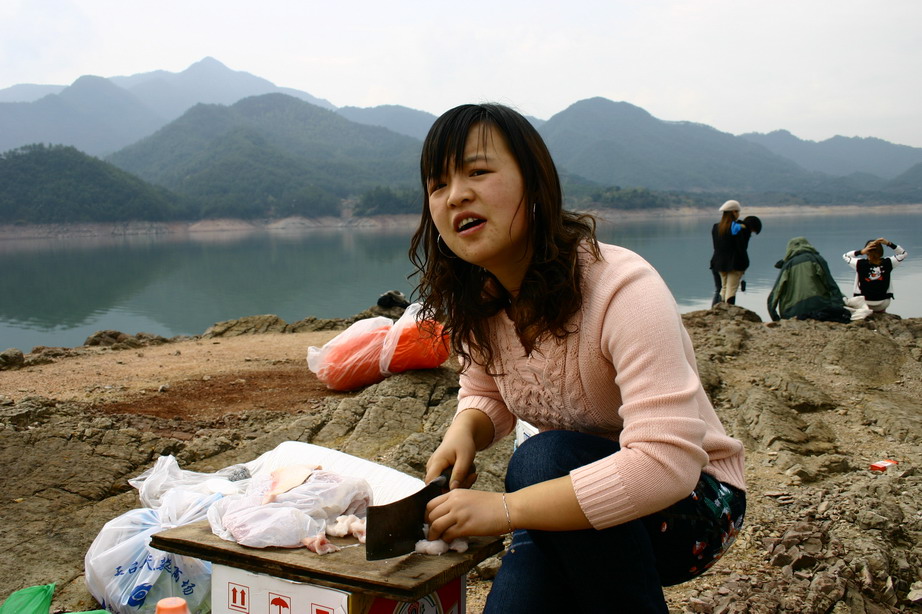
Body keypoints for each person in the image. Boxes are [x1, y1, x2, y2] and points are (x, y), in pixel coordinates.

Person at [408, 103, 746, 613]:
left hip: (691, 502)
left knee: (541, 457)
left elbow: (667, 463)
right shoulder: (479, 301)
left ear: (535, 185)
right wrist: (465, 433)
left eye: (477, 172)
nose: (456, 195)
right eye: (438, 185)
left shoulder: (622, 288)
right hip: (566, 491)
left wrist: (506, 510)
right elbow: (483, 391)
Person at [767, 237, 849, 322]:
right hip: (819, 309)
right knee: (840, 296)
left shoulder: (787, 266)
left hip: (790, 314)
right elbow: (832, 286)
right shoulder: (817, 259)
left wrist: (776, 319)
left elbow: (774, 295)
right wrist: (837, 309)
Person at [709, 201, 758, 305]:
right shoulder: (736, 228)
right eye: (738, 212)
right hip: (734, 264)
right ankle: (729, 311)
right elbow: (741, 248)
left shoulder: (716, 227)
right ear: (734, 212)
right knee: (731, 289)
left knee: (723, 288)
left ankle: (720, 310)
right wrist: (745, 264)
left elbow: (716, 247)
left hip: (719, 263)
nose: (738, 214)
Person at [842, 238, 908, 314]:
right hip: (883, 303)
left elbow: (845, 256)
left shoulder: (859, 263)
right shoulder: (889, 262)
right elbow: (903, 254)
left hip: (863, 303)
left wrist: (861, 252)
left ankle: (864, 311)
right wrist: (888, 243)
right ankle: (880, 311)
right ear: (881, 251)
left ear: (866, 251)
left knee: (844, 299)